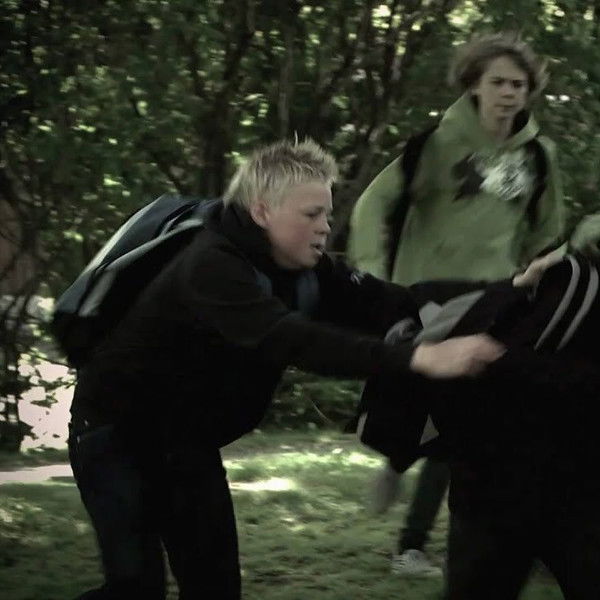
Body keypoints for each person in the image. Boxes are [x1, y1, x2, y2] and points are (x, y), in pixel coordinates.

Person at [67, 139, 504, 600]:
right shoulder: (210, 265)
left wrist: (508, 288)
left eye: (327, 214)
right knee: (135, 589)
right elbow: (290, 338)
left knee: (215, 589)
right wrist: (419, 358)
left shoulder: (304, 269)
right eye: (311, 214)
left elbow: (393, 299)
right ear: (262, 211)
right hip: (115, 436)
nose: (325, 227)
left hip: (186, 444)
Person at [347, 31, 565, 576]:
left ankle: (425, 545)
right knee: (428, 416)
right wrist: (374, 278)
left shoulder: (540, 156)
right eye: (498, 82)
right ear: (474, 86)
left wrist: (541, 283)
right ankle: (399, 462)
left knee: (477, 426)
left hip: (497, 298)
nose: (509, 93)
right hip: (427, 293)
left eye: (519, 84)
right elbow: (373, 206)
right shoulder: (434, 146)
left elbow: (547, 230)